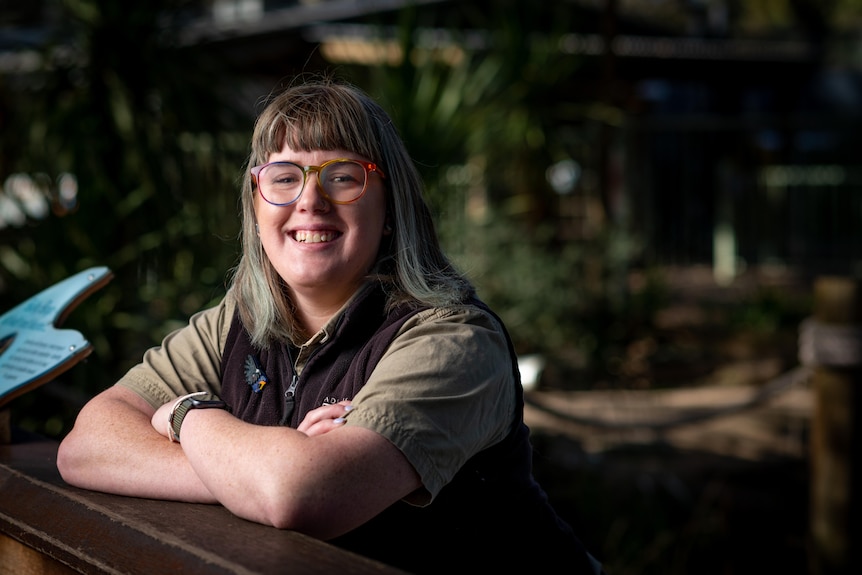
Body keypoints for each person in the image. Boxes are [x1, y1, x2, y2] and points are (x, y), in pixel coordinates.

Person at [57, 78, 604, 574]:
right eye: (284, 177)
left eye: (343, 177)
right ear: (256, 202)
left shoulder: (452, 341)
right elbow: (85, 446)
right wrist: (256, 470)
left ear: (390, 206)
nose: (309, 201)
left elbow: (302, 495)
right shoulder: (238, 322)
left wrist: (186, 415)